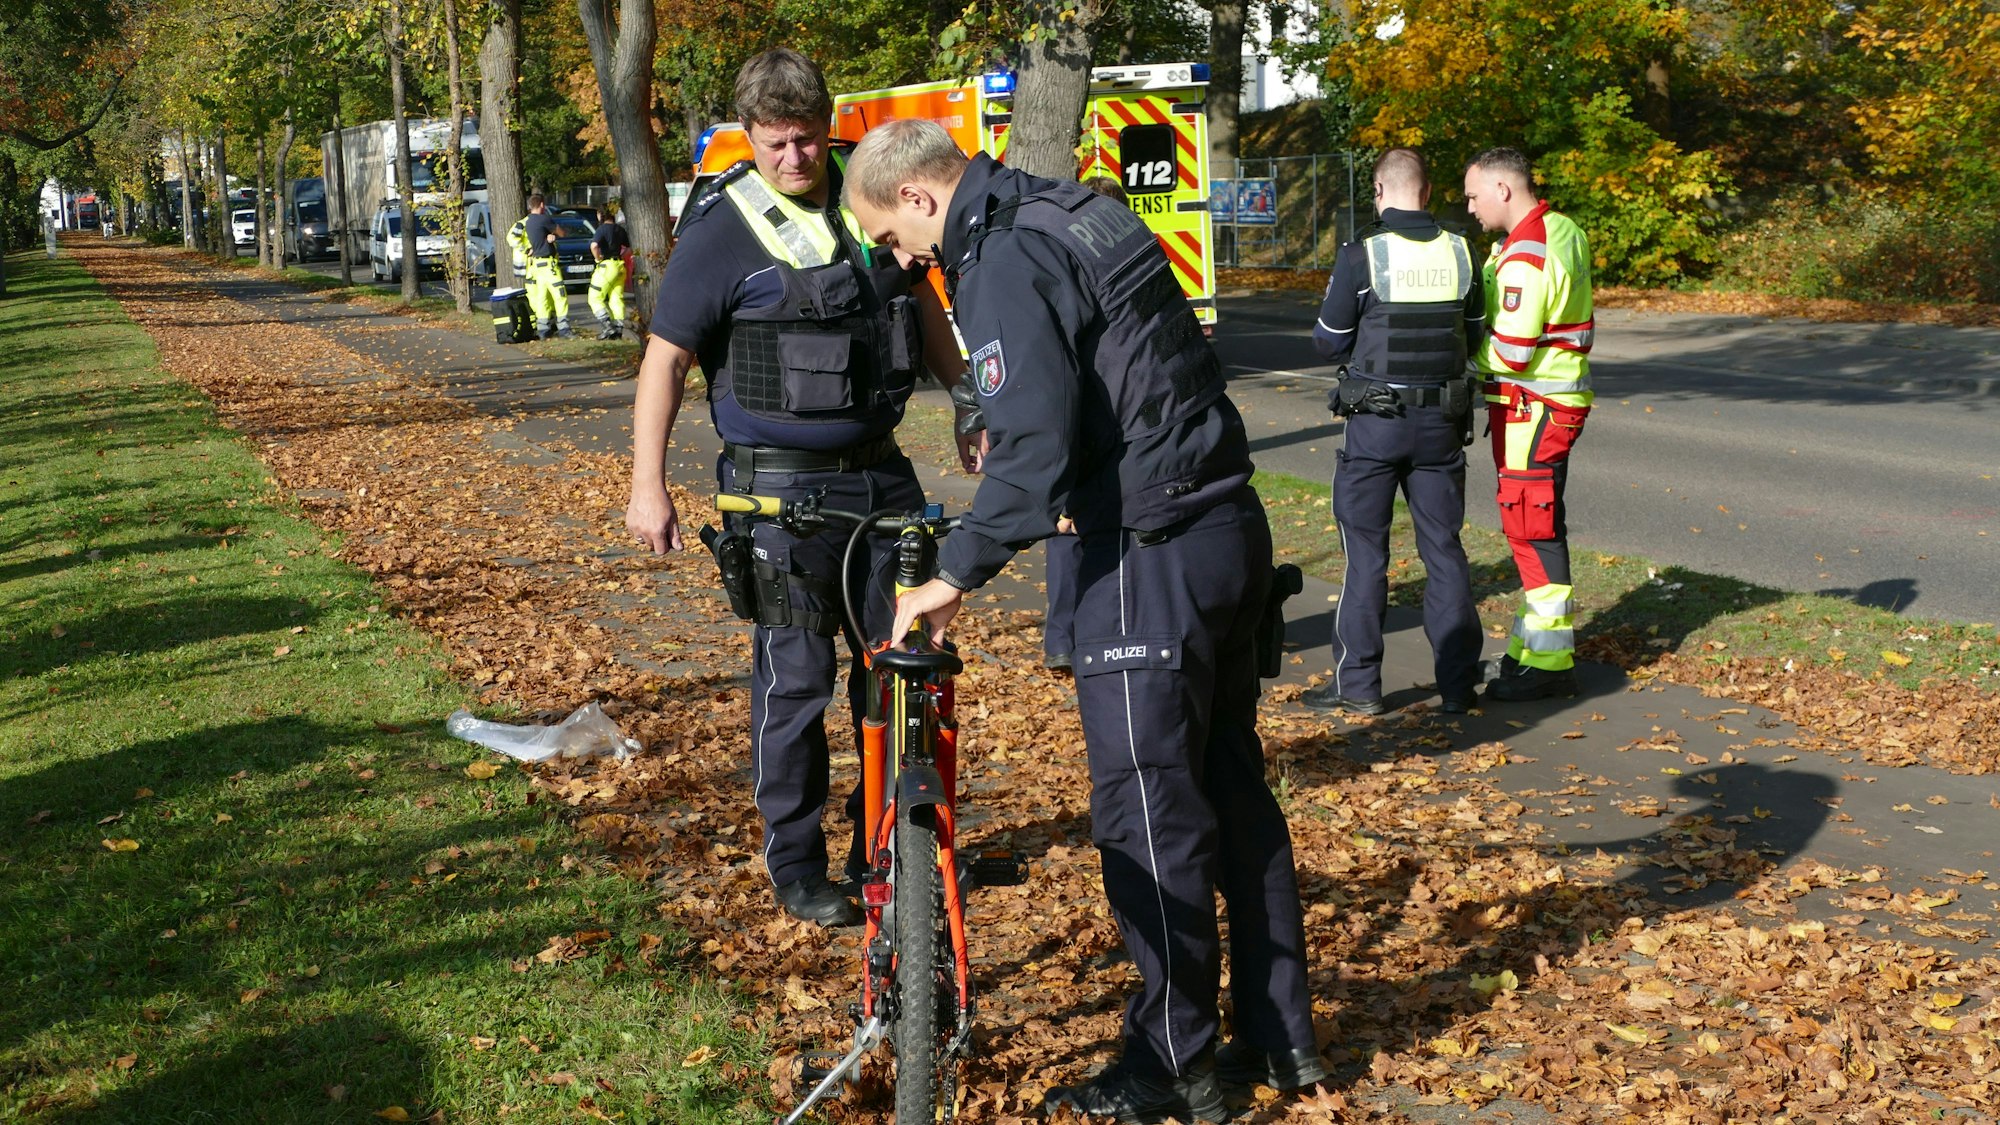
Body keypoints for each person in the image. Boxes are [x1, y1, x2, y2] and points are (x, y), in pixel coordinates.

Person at [846, 118, 1324, 1124]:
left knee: (1147, 810)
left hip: (1145, 552)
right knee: (1231, 786)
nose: (905, 260)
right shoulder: (1079, 210)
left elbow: (1032, 448)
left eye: (893, 237)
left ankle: (1172, 1062)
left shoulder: (1001, 254)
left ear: (919, 196)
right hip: (1225, 524)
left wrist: (954, 575)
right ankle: (1279, 1034)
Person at [622, 49, 961, 929]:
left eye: (807, 139)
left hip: (882, 479)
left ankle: (884, 840)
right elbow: (665, 359)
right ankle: (799, 862)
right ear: (749, 136)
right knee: (797, 684)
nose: (795, 159)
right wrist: (647, 484)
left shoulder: (867, 193)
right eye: (775, 143)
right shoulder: (722, 229)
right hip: (778, 498)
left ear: (826, 123)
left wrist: (968, 399)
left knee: (900, 670)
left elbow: (920, 299)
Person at [1299, 148, 1484, 716]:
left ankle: (1358, 687)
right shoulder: (1462, 251)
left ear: (1379, 192)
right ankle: (1458, 686)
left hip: (1376, 426)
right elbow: (1474, 335)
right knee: (1445, 551)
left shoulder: (1363, 255)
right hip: (1441, 426)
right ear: (1426, 192)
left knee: (1366, 556)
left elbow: (1328, 342)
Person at [1463, 147, 1595, 701]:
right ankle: (1529, 653)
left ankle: (1550, 667)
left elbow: (1512, 352)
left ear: (1503, 189)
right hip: (1547, 404)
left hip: (1532, 406)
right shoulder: (1561, 229)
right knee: (1533, 529)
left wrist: (1458, 360)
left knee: (1531, 531)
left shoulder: (1526, 254)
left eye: (1474, 196)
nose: (1470, 207)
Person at [522, 194, 573, 339]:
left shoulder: (528, 222)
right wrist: (555, 235)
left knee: (542, 298)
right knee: (560, 295)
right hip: (549, 265)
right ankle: (564, 328)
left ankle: (543, 329)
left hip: (537, 266)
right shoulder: (544, 219)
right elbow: (561, 232)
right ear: (542, 205)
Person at [587, 204, 631, 339]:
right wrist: (621, 256)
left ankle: (608, 327)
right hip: (620, 266)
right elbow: (629, 248)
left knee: (594, 297)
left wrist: (598, 258)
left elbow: (594, 246)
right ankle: (618, 330)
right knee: (616, 299)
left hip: (606, 267)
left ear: (601, 215)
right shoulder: (620, 229)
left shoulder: (601, 229)